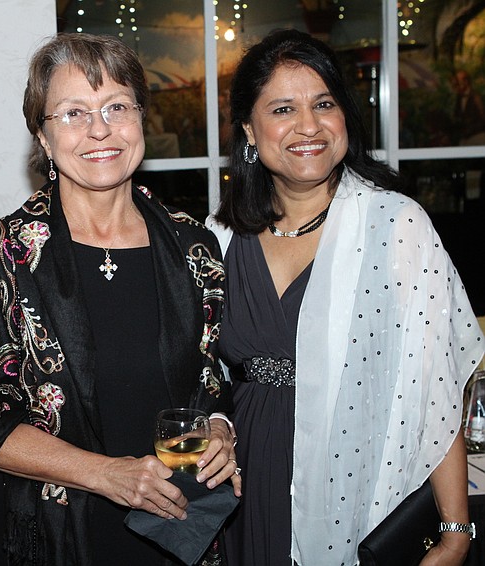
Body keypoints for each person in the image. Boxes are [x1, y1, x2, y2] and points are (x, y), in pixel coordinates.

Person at [0, 32, 239, 566]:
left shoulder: (195, 246)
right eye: (73, 113)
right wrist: (105, 473)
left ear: (142, 117)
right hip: (48, 538)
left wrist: (219, 431)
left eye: (116, 106)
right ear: (43, 137)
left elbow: (211, 380)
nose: (100, 129)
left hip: (175, 534)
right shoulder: (0, 254)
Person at [206, 28, 485, 566]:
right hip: (242, 487)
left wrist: (455, 531)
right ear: (248, 128)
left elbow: (435, 391)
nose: (308, 126)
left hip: (354, 482)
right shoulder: (217, 239)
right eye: (283, 108)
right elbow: (198, 378)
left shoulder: (395, 227)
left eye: (324, 104)